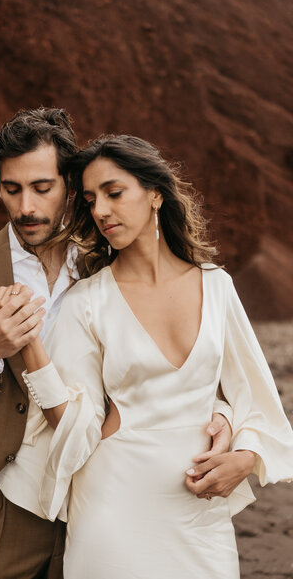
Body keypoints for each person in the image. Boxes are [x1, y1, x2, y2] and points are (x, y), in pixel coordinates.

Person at [0, 111, 232, 579]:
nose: (26, 207)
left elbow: (182, 360)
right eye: (11, 188)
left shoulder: (108, 267)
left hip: (104, 490)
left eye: (42, 187)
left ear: (70, 186)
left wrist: (222, 412)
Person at [15, 134, 293, 579]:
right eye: (90, 200)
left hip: (200, 514)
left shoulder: (216, 286)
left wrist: (244, 458)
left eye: (114, 192)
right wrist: (30, 347)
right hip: (112, 505)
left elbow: (257, 399)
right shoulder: (88, 301)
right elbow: (71, 426)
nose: (101, 210)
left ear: (156, 194)